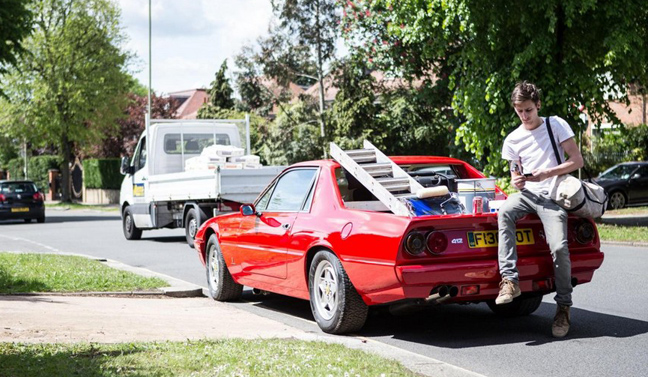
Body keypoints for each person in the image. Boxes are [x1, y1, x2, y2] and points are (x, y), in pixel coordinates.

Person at [496, 81, 584, 338]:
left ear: (538, 105)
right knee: (504, 212)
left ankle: (563, 307)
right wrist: (516, 179)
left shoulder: (555, 124)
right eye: (520, 111)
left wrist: (547, 172)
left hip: (553, 196)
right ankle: (510, 281)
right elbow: (514, 171)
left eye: (529, 110)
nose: (524, 116)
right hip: (527, 195)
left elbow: (577, 160)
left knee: (558, 247)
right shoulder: (513, 138)